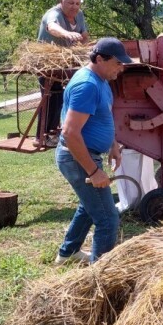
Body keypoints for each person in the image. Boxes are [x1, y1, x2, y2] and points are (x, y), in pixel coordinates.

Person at [54, 37, 131, 265]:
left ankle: (68, 253)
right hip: (77, 157)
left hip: (86, 153)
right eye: (117, 63)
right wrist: (93, 171)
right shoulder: (87, 85)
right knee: (108, 219)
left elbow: (102, 116)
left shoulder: (101, 81)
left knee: (90, 206)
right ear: (99, 59)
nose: (121, 68)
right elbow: (70, 133)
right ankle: (100, 277)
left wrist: (113, 144)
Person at [35, 0, 90, 147]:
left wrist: (86, 49)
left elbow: (84, 35)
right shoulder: (54, 14)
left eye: (77, 3)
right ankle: (41, 137)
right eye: (70, 3)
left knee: (63, 97)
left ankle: (56, 132)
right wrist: (67, 34)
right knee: (50, 98)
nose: (74, 7)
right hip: (49, 63)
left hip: (67, 64)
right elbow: (52, 27)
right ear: (61, 2)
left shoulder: (79, 15)